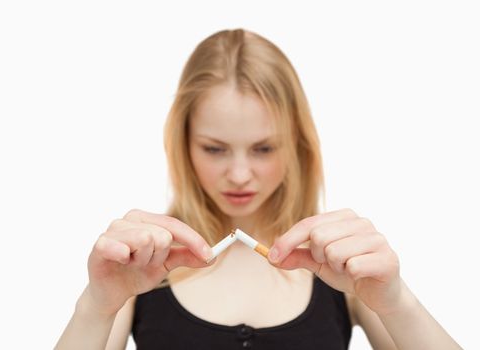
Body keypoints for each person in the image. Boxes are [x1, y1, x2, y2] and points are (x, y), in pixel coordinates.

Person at [55, 28, 461, 349]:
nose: (239, 174)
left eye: (264, 148)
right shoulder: (141, 269)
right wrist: (95, 305)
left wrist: (397, 301)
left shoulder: (340, 268)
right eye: (215, 149)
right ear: (183, 144)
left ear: (297, 143)